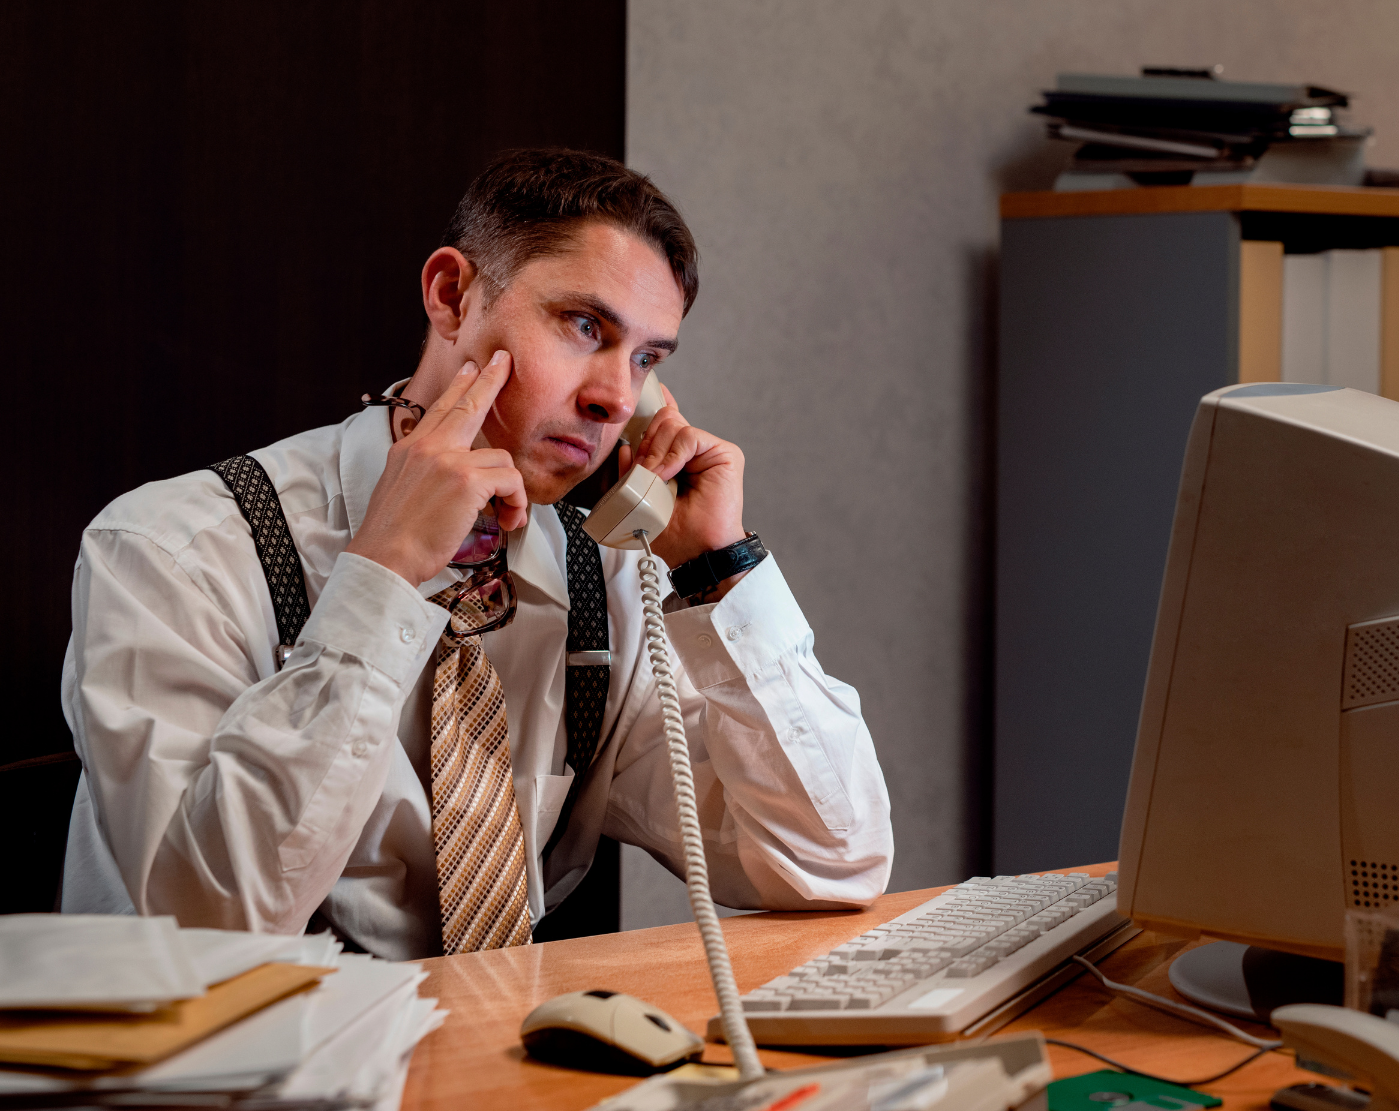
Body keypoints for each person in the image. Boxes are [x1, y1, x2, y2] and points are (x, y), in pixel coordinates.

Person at [60, 148, 893, 959]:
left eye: (645, 358)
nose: (613, 395)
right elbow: (201, 930)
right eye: (582, 325)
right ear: (452, 296)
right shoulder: (171, 551)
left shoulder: (601, 579)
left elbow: (832, 861)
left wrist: (721, 571)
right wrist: (379, 579)